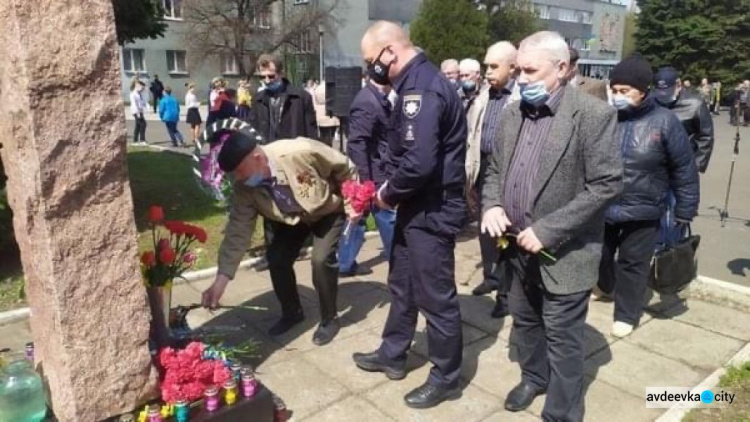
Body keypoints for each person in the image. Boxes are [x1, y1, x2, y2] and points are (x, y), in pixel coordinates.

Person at [480, 31, 622, 420]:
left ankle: (561, 412)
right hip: (515, 249)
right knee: (525, 321)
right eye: (519, 70)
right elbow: (494, 169)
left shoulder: (593, 115)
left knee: (562, 338)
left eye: (530, 71)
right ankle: (533, 377)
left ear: (562, 68)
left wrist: (550, 229)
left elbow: (606, 185)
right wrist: (491, 203)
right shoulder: (513, 115)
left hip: (565, 253)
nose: (521, 78)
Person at [352, 21, 468, 409]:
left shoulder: (422, 87)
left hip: (432, 210)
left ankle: (446, 376)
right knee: (401, 283)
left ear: (390, 52)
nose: (371, 69)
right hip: (415, 207)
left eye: (372, 61)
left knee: (436, 297)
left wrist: (386, 194)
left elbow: (419, 164)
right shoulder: (411, 85)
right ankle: (393, 352)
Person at [200, 129, 360, 346]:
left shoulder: (300, 152)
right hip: (292, 218)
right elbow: (239, 230)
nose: (237, 178)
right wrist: (221, 280)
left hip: (326, 210)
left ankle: (329, 319)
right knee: (277, 258)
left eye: (239, 171)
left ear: (257, 157)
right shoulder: (245, 187)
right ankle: (292, 312)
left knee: (321, 260)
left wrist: (353, 202)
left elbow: (344, 167)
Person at [598, 56, 699, 339]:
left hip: (644, 208)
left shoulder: (665, 122)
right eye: (614, 90)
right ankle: (606, 286)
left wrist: (686, 208)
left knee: (633, 263)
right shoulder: (606, 118)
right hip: (604, 205)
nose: (617, 96)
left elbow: (684, 169)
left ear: (643, 90)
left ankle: (626, 314)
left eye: (624, 91)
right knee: (600, 255)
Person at [465, 41, 520, 319]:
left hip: (510, 173)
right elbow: (473, 135)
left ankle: (506, 295)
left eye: (494, 66)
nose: (487, 72)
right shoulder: (484, 96)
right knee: (485, 229)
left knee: (505, 234)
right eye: (486, 65)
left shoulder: (522, 97)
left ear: (513, 67)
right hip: (483, 167)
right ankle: (491, 277)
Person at [338, 77, 397, 277]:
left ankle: (344, 263)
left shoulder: (375, 98)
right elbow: (357, 143)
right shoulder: (367, 101)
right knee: (387, 217)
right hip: (374, 173)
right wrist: (365, 180)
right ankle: (398, 265)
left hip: (373, 170)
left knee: (359, 218)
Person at [654, 67, 714, 173]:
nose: (664, 95)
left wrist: (697, 165)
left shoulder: (695, 104)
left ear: (678, 85)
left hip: (683, 165)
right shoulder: (651, 102)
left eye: (668, 91)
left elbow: (706, 136)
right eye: (660, 91)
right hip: (654, 165)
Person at [249, 54, 318, 143]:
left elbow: (311, 130)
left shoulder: (301, 97)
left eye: (271, 76)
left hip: (293, 151)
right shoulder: (258, 98)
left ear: (281, 74)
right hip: (268, 150)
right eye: (262, 77)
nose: (267, 80)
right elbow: (254, 127)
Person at [313, 82, 340, 146]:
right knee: (331, 136)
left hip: (320, 114)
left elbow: (315, 102)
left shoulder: (317, 89)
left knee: (323, 136)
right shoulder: (332, 89)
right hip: (331, 114)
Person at [130, 80, 148, 145]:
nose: (143, 90)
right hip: (136, 111)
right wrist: (138, 113)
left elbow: (141, 102)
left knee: (138, 126)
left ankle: (135, 141)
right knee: (143, 124)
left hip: (140, 111)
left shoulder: (139, 93)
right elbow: (134, 104)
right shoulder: (133, 94)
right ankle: (142, 140)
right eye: (142, 88)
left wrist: (144, 107)